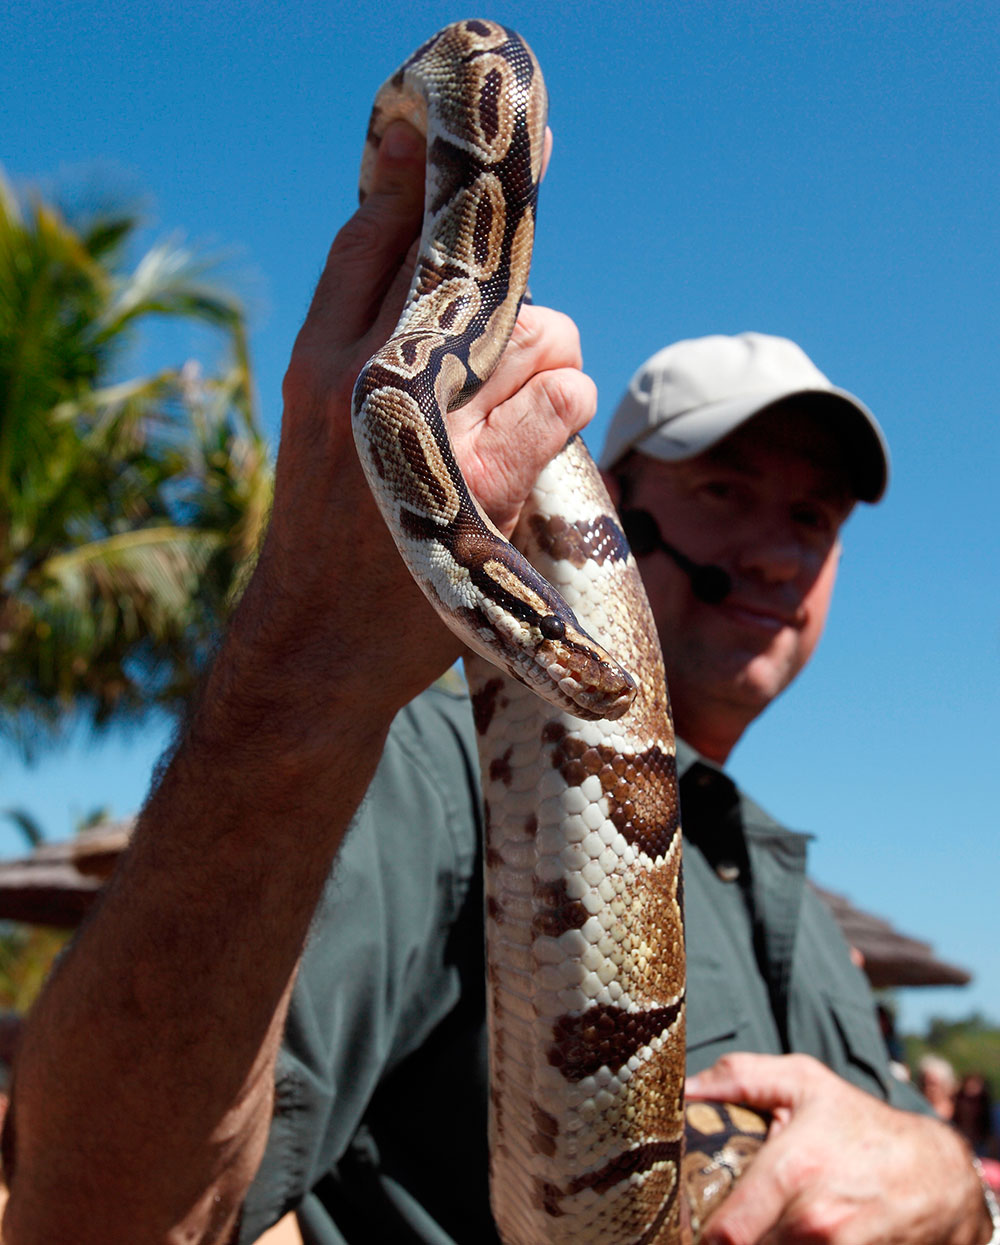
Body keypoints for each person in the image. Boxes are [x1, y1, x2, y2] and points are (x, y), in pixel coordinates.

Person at [0, 120, 994, 1245]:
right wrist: (303, 659)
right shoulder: (419, 760)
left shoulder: (789, 892)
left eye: (812, 520)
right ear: (614, 497)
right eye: (726, 490)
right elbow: (97, 1206)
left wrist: (944, 1175)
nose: (775, 551)